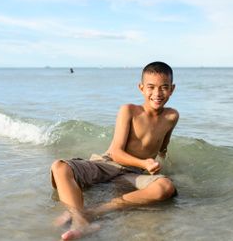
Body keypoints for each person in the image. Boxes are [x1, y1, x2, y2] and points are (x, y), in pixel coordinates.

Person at [50, 61, 179, 240]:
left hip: (134, 174)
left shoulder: (172, 116)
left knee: (165, 187)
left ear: (172, 89)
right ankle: (78, 218)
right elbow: (116, 152)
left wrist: (165, 165)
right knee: (60, 166)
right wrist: (144, 162)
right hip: (109, 164)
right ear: (141, 88)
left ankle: (91, 213)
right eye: (151, 87)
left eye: (164, 87)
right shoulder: (129, 111)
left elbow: (163, 148)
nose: (157, 93)